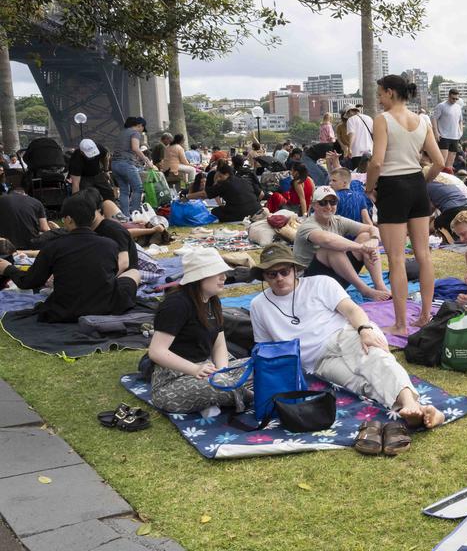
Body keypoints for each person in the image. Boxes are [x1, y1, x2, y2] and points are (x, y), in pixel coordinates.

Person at [249, 243, 445, 449]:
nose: (279, 278)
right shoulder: (258, 305)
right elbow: (265, 347)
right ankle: (421, 411)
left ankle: (410, 404)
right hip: (317, 362)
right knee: (361, 384)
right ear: (264, 277)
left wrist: (364, 330)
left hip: (345, 334)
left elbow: (352, 310)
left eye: (284, 271)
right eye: (272, 274)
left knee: (376, 361)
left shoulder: (320, 283)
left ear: (294, 269)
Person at [364, 75, 445, 334]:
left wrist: (368, 188)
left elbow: (377, 162)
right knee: (424, 256)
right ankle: (424, 315)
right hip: (417, 186)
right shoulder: (422, 120)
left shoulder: (383, 120)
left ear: (390, 92)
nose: (378, 98)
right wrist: (422, 179)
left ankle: (400, 324)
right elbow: (439, 162)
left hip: (392, 186)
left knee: (397, 259)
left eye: (380, 93)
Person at [0, 193, 140, 322]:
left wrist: (8, 269)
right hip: (106, 307)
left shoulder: (54, 246)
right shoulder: (110, 245)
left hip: (65, 311)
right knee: (134, 273)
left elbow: (29, 281)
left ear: (68, 220)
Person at [147, 249, 253, 414]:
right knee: (220, 384)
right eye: (217, 273)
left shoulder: (212, 301)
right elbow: (156, 351)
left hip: (207, 371)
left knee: (259, 365)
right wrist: (195, 370)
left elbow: (219, 345)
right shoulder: (176, 304)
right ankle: (255, 397)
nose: (223, 277)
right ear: (200, 276)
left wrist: (223, 370)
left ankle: (219, 398)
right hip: (172, 380)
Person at [294, 184, 390, 303]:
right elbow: (327, 241)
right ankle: (365, 290)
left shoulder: (337, 220)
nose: (329, 206)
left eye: (333, 202)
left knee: (365, 236)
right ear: (313, 205)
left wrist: (373, 240)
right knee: (332, 248)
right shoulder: (308, 225)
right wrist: (362, 248)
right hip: (309, 284)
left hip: (336, 277)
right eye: (323, 203)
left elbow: (372, 229)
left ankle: (380, 286)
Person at [187, 161, 261, 223]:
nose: (218, 179)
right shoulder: (243, 180)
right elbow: (261, 194)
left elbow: (204, 194)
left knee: (215, 211)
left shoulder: (225, 183)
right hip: (256, 211)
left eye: (220, 176)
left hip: (241, 214)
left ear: (227, 174)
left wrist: (188, 196)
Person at [111, 116, 154, 216]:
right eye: (142, 128)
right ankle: (135, 214)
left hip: (114, 164)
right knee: (138, 188)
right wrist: (147, 160)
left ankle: (125, 216)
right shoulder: (135, 133)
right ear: (140, 125)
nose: (142, 131)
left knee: (124, 190)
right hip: (126, 164)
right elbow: (135, 148)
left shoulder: (122, 132)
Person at [68, 139, 121, 217]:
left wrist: (106, 170)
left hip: (97, 173)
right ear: (82, 152)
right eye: (89, 154)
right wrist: (76, 203)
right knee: (86, 196)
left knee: (109, 192)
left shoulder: (100, 148)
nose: (93, 156)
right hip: (84, 177)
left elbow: (105, 156)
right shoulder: (76, 160)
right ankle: (87, 214)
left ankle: (113, 213)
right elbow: (76, 185)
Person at [0, 180, 50, 250]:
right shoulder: (37, 202)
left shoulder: (2, 199)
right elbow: (44, 228)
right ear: (25, 194)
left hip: (5, 246)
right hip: (31, 245)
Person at [430, 88, 464, 169]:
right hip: (444, 136)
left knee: (450, 165)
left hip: (455, 137)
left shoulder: (458, 107)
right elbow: (434, 118)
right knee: (442, 163)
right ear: (449, 96)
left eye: (456, 99)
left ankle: (448, 180)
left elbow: (460, 120)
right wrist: (436, 132)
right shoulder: (441, 106)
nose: (454, 100)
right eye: (453, 98)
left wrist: (461, 131)